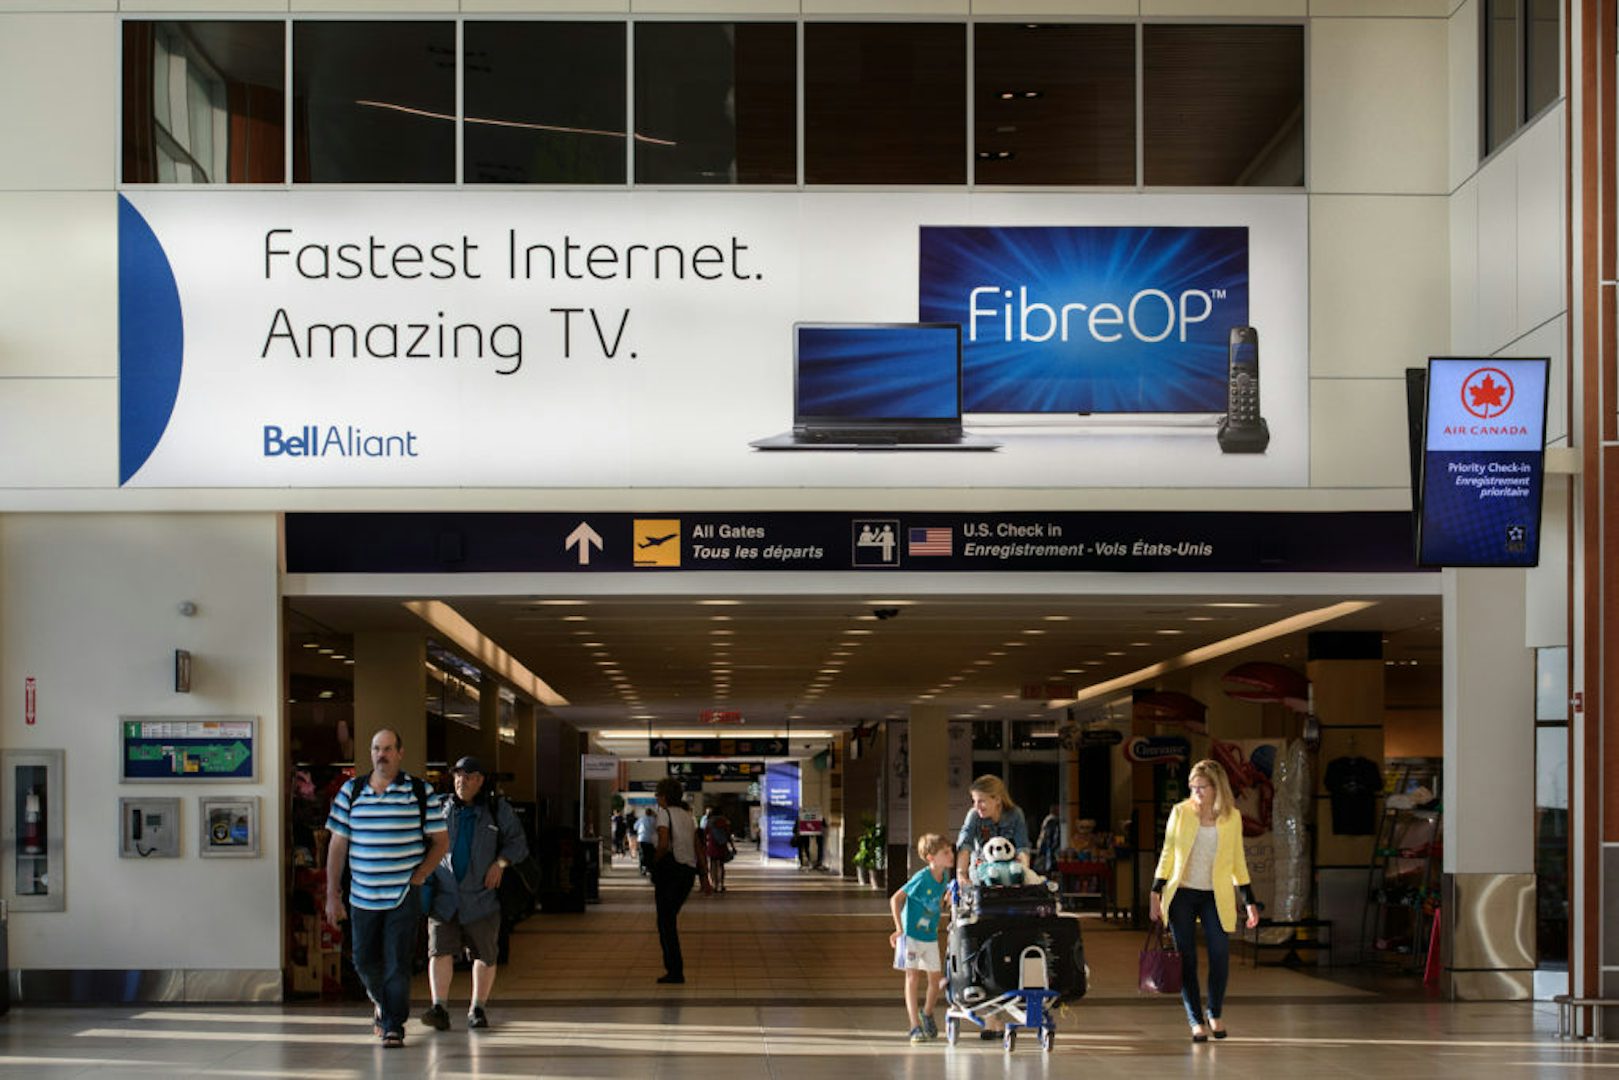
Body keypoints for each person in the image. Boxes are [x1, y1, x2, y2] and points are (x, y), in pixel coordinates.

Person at [323, 729, 449, 1049]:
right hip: (362, 896)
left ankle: (394, 1025)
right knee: (363, 961)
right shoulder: (351, 792)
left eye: (389, 749)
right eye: (377, 748)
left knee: (396, 962)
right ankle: (384, 1003)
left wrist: (421, 874)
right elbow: (337, 846)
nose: (382, 754)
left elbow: (441, 842)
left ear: (400, 753)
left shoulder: (420, 792)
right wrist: (331, 894)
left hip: (403, 895)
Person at [1150, 759, 1261, 1044]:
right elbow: (1168, 853)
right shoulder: (1181, 813)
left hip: (1215, 895)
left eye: (1202, 787)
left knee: (1220, 954)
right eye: (1193, 787)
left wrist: (1249, 901)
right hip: (1182, 894)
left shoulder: (1231, 817)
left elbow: (1238, 861)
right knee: (1186, 958)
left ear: (1216, 788)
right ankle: (1195, 1020)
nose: (1196, 792)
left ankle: (1215, 1012)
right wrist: (1156, 892)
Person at [420, 756, 529, 1033]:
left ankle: (477, 1007)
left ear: (480, 781)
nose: (461, 781)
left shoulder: (496, 809)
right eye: (457, 776)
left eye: (468, 777)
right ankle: (439, 1007)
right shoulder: (441, 807)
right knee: (439, 950)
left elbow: (519, 843)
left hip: (482, 897)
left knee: (484, 954)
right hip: (445, 896)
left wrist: (501, 863)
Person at [889, 834, 954, 1044]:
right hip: (911, 936)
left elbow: (935, 903)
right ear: (930, 858)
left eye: (950, 851)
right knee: (913, 978)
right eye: (946, 853)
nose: (951, 855)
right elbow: (896, 899)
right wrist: (899, 929)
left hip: (929, 936)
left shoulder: (944, 877)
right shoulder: (921, 878)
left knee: (935, 980)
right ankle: (914, 1026)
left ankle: (927, 1013)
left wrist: (947, 900)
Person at [651, 778, 711, 983]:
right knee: (669, 920)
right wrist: (704, 877)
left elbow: (663, 843)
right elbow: (697, 847)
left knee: (665, 923)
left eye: (657, 795)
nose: (657, 798)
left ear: (664, 796)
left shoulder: (663, 814)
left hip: (670, 872)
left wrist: (654, 862)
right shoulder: (688, 816)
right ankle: (675, 969)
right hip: (687, 874)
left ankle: (675, 970)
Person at [955, 775, 1031, 885]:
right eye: (974, 801)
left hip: (1008, 873)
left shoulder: (1016, 814)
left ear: (997, 799)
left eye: (981, 801)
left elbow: (1022, 848)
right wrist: (961, 874)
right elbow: (965, 845)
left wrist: (1022, 875)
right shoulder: (974, 815)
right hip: (980, 871)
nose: (976, 806)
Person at [704, 808, 737, 893]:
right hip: (722, 845)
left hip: (712, 845)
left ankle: (714, 884)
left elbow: (705, 833)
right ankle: (721, 885)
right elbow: (728, 834)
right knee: (721, 865)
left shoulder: (709, 821)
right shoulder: (724, 821)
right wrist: (733, 847)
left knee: (713, 865)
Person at [1034, 804, 1062, 876]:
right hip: (1048, 848)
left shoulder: (1050, 820)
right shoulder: (1051, 820)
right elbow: (1047, 837)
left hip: (1047, 847)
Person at [635, 806, 659, 876]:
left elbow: (635, 827)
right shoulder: (654, 820)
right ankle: (649, 868)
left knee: (642, 854)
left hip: (642, 839)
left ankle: (643, 868)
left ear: (645, 813)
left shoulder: (641, 819)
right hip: (651, 840)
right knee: (650, 855)